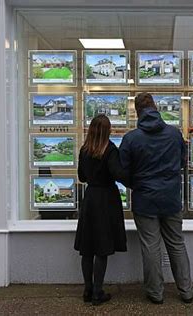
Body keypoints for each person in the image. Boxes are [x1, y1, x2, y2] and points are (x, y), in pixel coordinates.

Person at [119, 93, 193, 304]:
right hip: (171, 198)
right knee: (176, 244)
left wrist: (136, 184)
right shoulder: (174, 134)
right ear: (155, 107)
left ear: (137, 111)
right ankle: (187, 290)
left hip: (145, 200)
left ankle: (155, 293)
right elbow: (182, 162)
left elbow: (123, 171)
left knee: (151, 247)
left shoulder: (131, 138)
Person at [74, 114, 129, 306]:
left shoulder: (84, 150)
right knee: (102, 248)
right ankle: (98, 292)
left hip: (90, 199)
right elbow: (118, 174)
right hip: (106, 199)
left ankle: (87, 290)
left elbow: (81, 177)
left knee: (87, 248)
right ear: (108, 131)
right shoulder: (110, 150)